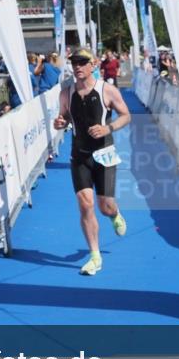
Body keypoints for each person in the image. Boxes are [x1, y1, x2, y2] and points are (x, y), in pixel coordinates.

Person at [53, 48, 131, 276]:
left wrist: (108, 128)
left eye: (82, 62)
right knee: (85, 204)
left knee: (105, 206)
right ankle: (95, 256)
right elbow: (64, 117)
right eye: (74, 62)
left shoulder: (108, 91)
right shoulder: (66, 93)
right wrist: (60, 122)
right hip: (79, 155)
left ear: (93, 64)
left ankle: (115, 214)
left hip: (104, 154)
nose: (77, 66)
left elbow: (126, 115)